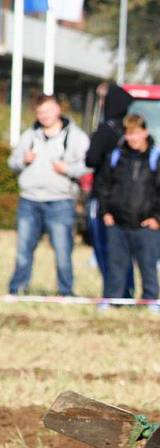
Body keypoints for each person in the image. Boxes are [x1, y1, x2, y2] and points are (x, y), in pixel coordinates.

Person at [7, 94, 90, 296]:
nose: (43, 116)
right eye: (40, 112)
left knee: (63, 250)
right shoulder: (29, 135)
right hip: (30, 200)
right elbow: (12, 162)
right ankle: (17, 289)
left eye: (47, 111)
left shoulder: (76, 137)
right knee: (23, 250)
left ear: (57, 110)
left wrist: (68, 169)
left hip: (60, 201)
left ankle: (66, 291)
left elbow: (88, 165)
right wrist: (23, 160)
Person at [95, 114, 160, 312]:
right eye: (130, 134)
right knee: (115, 265)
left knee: (148, 266)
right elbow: (102, 186)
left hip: (146, 225)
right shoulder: (115, 157)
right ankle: (113, 299)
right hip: (117, 224)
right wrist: (105, 212)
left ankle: (150, 301)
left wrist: (159, 218)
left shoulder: (158, 159)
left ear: (145, 133)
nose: (133, 138)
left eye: (137, 133)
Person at [84, 83, 134, 293]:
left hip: (103, 198)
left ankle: (111, 292)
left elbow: (91, 159)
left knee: (104, 246)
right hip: (125, 199)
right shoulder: (129, 131)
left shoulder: (105, 131)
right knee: (123, 249)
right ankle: (127, 291)